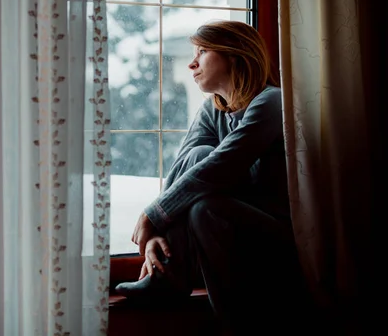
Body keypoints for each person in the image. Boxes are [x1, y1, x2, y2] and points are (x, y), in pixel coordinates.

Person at [114, 20, 307, 333]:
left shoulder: (272, 102)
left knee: (207, 198)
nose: (192, 63)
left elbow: (224, 165)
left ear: (235, 56)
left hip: (275, 240)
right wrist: (156, 232)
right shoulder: (213, 110)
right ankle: (166, 275)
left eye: (202, 52)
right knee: (197, 158)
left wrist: (152, 215)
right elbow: (183, 173)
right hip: (221, 237)